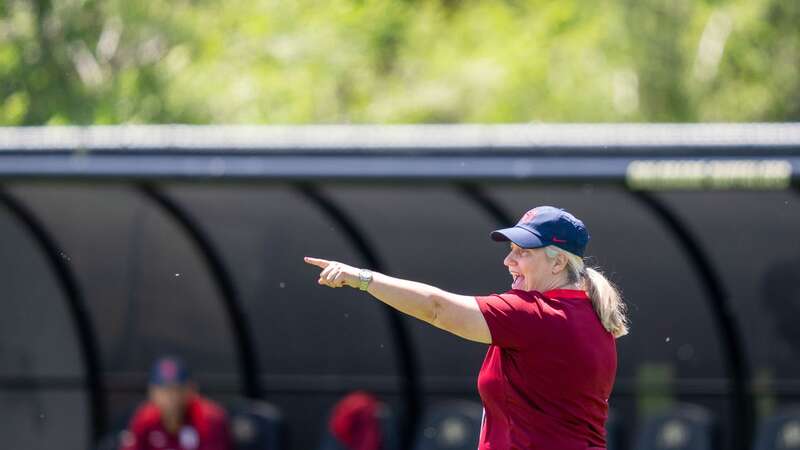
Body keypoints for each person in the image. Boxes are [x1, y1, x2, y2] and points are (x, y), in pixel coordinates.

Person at [304, 206, 629, 450]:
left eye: (523, 253)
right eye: (510, 251)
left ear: (558, 263)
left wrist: (363, 278)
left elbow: (437, 308)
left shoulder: (536, 315)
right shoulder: (592, 315)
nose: (508, 261)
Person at [119, 356, 233, 450]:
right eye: (164, 391)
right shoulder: (144, 420)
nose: (171, 398)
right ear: (152, 392)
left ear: (191, 390)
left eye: (177, 390)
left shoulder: (209, 419)